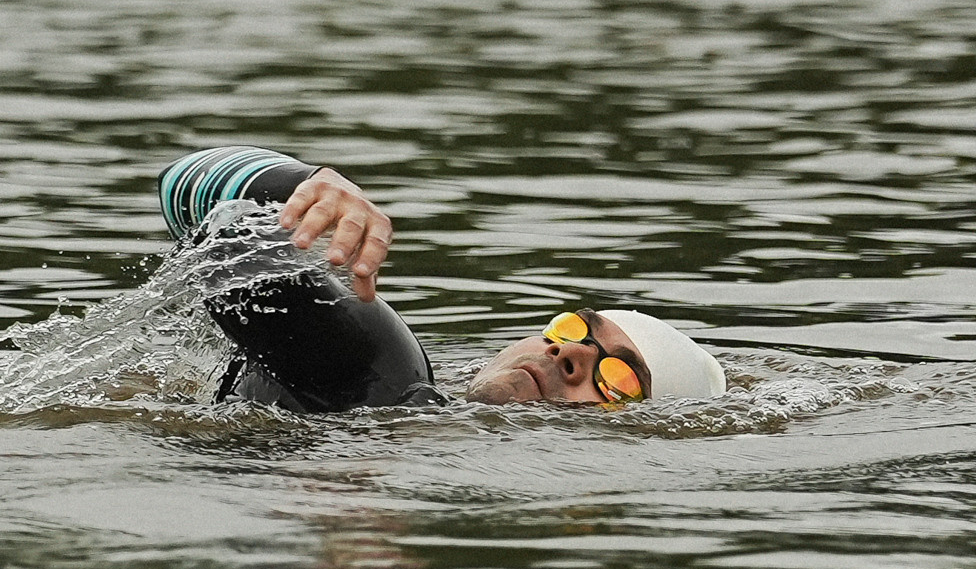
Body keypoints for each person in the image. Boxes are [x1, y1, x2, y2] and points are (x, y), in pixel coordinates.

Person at [158, 146, 727, 414]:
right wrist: (303, 185)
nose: (570, 351)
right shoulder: (388, 374)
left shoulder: (394, 405)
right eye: (576, 326)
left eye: (619, 377)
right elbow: (193, 202)